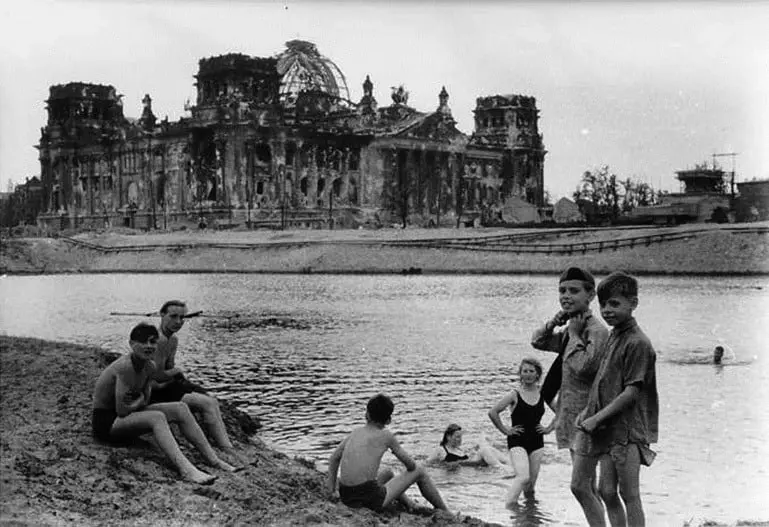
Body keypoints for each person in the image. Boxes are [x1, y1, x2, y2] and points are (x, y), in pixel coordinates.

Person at [92, 322, 238, 484]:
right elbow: (122, 410)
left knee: (180, 408)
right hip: (108, 422)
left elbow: (145, 400)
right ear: (132, 344)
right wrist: (139, 400)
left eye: (153, 342)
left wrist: (139, 400)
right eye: (143, 342)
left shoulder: (149, 366)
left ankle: (214, 460)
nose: (149, 346)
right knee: (157, 417)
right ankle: (187, 470)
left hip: (128, 413)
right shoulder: (125, 367)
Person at [572, 272, 659, 527]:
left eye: (615, 304)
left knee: (629, 493)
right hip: (607, 425)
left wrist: (596, 418)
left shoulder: (638, 343)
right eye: (603, 305)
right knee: (606, 491)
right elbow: (603, 380)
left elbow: (632, 392)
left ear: (633, 303)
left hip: (627, 430)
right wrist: (588, 411)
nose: (607, 310)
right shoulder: (615, 335)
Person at [531, 266, 610, 513]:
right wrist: (554, 322)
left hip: (588, 418)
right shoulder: (570, 329)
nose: (566, 296)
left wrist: (574, 335)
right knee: (587, 486)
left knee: (582, 486)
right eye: (562, 291)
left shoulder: (595, 331)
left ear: (591, 295)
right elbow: (538, 341)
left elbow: (585, 367)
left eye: (574, 291)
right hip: (572, 418)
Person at [151, 300, 243, 465]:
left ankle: (225, 446)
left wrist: (179, 378)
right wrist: (176, 372)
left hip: (167, 385)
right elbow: (156, 375)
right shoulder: (158, 340)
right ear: (162, 315)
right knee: (206, 403)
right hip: (155, 390)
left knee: (210, 400)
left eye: (182, 318)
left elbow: (168, 367)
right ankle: (225, 448)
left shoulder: (172, 339)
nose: (178, 322)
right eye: (173, 316)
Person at [326, 393, 449, 513]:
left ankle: (410, 504)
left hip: (346, 495)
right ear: (388, 420)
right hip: (368, 499)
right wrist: (395, 451)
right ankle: (445, 511)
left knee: (388, 473)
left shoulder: (355, 432)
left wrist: (332, 491)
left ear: (366, 414)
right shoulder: (386, 436)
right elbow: (411, 466)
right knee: (420, 471)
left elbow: (334, 458)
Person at [488, 357, 554, 508]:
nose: (528, 374)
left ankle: (530, 514)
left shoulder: (543, 393)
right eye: (525, 371)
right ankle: (509, 508)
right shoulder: (514, 394)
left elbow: (561, 411)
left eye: (531, 371)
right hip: (517, 440)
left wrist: (549, 428)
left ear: (537, 374)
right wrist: (505, 430)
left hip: (537, 442)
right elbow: (493, 412)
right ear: (520, 374)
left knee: (530, 486)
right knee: (523, 477)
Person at [426, 423, 509, 468]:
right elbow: (427, 463)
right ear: (448, 437)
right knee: (484, 450)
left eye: (461, 437)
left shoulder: (459, 450)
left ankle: (509, 463)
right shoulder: (440, 450)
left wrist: (474, 449)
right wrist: (442, 466)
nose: (460, 439)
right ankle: (501, 467)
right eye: (457, 437)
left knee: (488, 449)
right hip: (471, 469)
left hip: (473, 465)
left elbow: (469, 458)